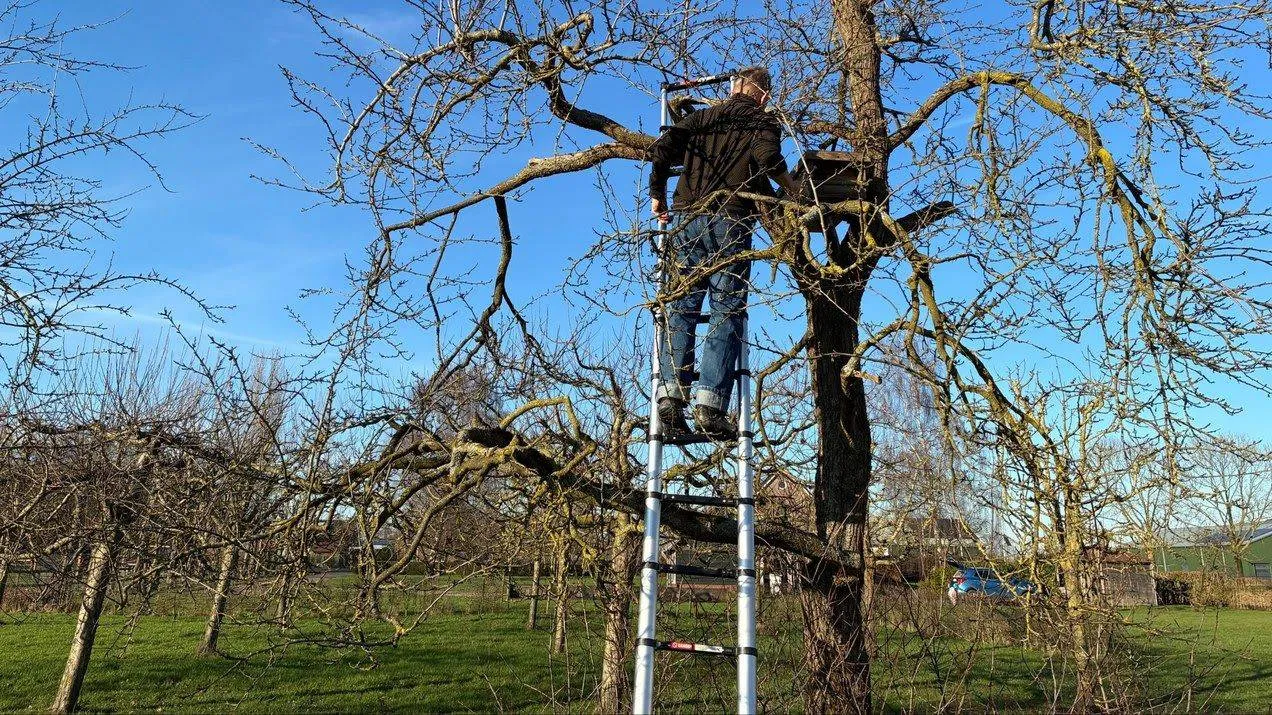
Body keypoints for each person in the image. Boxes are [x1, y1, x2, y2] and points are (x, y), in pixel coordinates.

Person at [647, 66, 799, 439]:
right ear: (762, 94)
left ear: (733, 87)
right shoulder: (761, 120)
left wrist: (657, 193)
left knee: (681, 305)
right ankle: (710, 406)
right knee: (726, 308)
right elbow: (768, 159)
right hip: (730, 219)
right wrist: (792, 187)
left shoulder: (701, 119)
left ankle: (670, 398)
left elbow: (663, 148)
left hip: (685, 218)